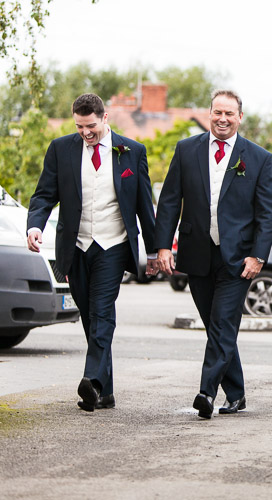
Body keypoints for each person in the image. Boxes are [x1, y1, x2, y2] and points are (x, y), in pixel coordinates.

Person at [26, 93, 157, 412]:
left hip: (113, 244)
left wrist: (153, 251)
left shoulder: (132, 152)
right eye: (80, 126)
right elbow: (44, 194)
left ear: (105, 118)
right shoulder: (60, 149)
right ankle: (105, 391)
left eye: (91, 126)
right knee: (88, 315)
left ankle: (92, 381)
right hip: (76, 245)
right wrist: (35, 225)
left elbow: (144, 205)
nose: (86, 132)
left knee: (101, 310)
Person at [154, 89, 272, 419]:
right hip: (197, 253)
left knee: (222, 323)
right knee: (216, 327)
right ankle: (236, 394)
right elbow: (169, 201)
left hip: (238, 260)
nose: (223, 119)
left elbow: (267, 214)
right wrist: (163, 246)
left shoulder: (259, 158)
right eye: (217, 112)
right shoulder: (186, 150)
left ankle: (206, 392)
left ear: (240, 117)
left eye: (229, 114)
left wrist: (258, 256)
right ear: (209, 114)